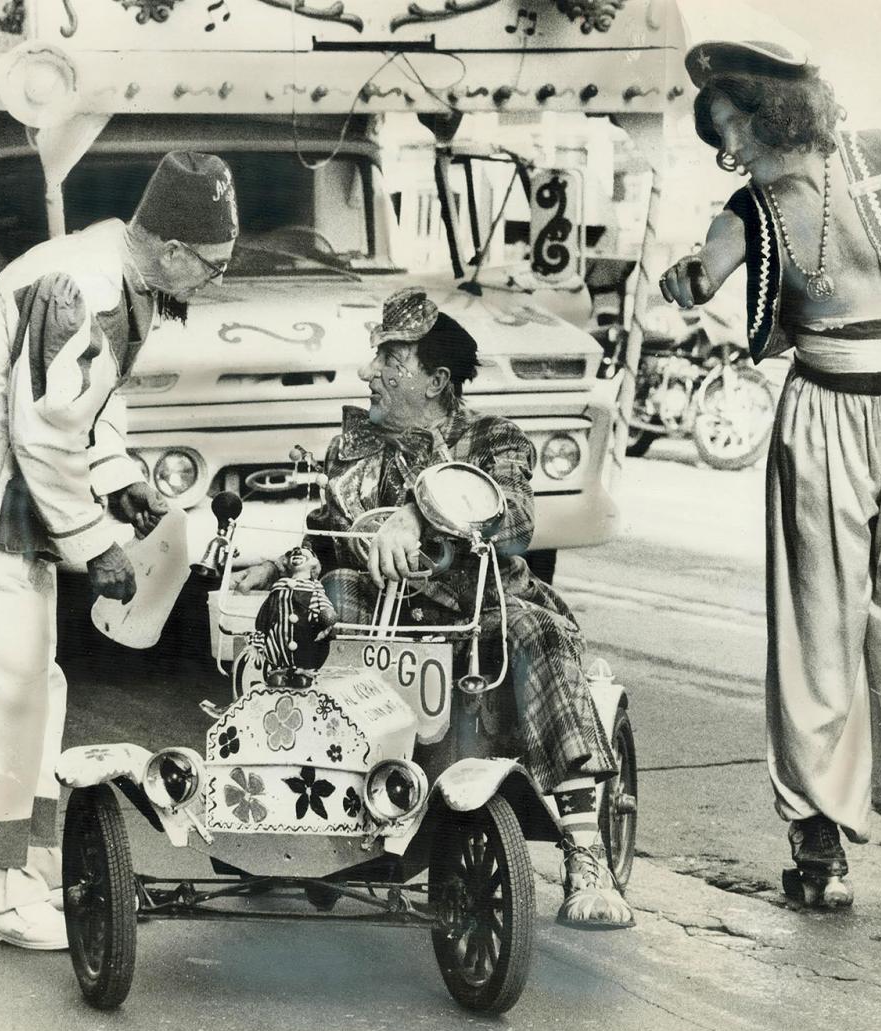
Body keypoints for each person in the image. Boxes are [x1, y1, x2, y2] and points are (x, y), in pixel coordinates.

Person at [660, 40, 881, 902]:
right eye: (716, 136)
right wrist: (691, 278)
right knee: (818, 620)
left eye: (733, 125)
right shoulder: (748, 211)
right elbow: (709, 264)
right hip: (820, 419)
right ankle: (817, 827)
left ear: (774, 108)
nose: (726, 149)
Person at [0, 151, 238, 948]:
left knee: (30, 687)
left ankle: (25, 871)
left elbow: (85, 407)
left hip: (9, 491)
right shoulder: (84, 285)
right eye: (209, 266)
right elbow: (42, 433)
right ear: (172, 247)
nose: (212, 281)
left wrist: (120, 477)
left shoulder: (122, 278)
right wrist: (96, 542)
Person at [230, 287, 634, 930]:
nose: (370, 373)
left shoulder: (493, 438)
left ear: (436, 380)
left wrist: (420, 514)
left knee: (539, 633)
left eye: (391, 359)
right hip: (378, 610)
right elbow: (327, 534)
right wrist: (281, 567)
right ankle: (296, 796)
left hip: (479, 607)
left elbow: (516, 514)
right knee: (314, 603)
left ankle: (585, 852)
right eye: (376, 356)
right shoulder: (351, 448)